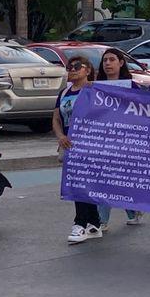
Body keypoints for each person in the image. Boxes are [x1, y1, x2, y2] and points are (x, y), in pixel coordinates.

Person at [53, 57, 107, 244]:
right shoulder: (64, 93)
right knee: (80, 183)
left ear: (88, 70)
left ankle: (80, 223)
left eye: (77, 67)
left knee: (82, 184)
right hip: (71, 146)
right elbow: (57, 119)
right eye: (69, 67)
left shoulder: (95, 91)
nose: (72, 70)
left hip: (90, 146)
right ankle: (94, 223)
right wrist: (60, 136)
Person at [95, 47, 143, 225]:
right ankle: (102, 220)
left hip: (125, 141)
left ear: (121, 63)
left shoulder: (131, 86)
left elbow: (141, 111)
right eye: (105, 60)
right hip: (102, 141)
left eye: (112, 59)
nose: (108, 63)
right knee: (105, 179)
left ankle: (130, 210)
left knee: (118, 180)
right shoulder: (96, 86)